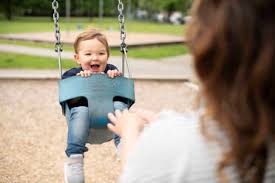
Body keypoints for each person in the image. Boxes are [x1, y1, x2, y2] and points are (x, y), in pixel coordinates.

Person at [107, 0, 275, 182]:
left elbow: (135, 175)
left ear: (206, 57)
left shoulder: (181, 147)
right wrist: (163, 119)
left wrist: (129, 131)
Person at [62, 29, 128, 183]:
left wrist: (115, 78)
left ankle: (124, 146)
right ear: (77, 58)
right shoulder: (71, 74)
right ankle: (75, 159)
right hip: (83, 120)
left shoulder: (112, 71)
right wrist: (79, 81)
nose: (95, 57)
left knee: (119, 104)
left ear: (107, 56)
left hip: (108, 120)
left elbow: (122, 95)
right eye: (88, 54)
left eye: (101, 53)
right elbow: (68, 99)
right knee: (81, 110)